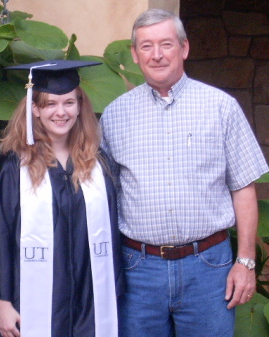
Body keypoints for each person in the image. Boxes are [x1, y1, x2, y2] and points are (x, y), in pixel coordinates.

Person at [100, 8, 269, 337]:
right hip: (138, 270)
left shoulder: (220, 107)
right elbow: (105, 193)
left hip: (208, 268)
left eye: (166, 44)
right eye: (146, 46)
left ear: (184, 48)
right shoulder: (114, 115)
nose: (157, 55)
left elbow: (243, 188)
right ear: (135, 54)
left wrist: (246, 261)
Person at [0, 60, 124, 337]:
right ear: (35, 109)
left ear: (80, 107)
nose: (61, 112)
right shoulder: (14, 164)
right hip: (29, 299)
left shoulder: (96, 163)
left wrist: (113, 289)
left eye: (69, 103)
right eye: (51, 104)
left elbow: (111, 234)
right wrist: (3, 302)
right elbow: (0, 235)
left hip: (89, 297)